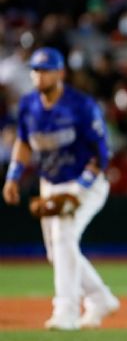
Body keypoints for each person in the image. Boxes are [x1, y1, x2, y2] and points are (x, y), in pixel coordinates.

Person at [2, 47, 119, 330]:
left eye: (46, 70)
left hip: (86, 184)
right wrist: (13, 176)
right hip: (50, 183)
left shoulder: (81, 105)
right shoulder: (29, 104)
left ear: (61, 72)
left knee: (64, 238)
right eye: (36, 70)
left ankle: (65, 311)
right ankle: (100, 298)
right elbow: (24, 142)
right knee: (57, 253)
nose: (39, 76)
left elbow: (102, 155)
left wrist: (78, 191)